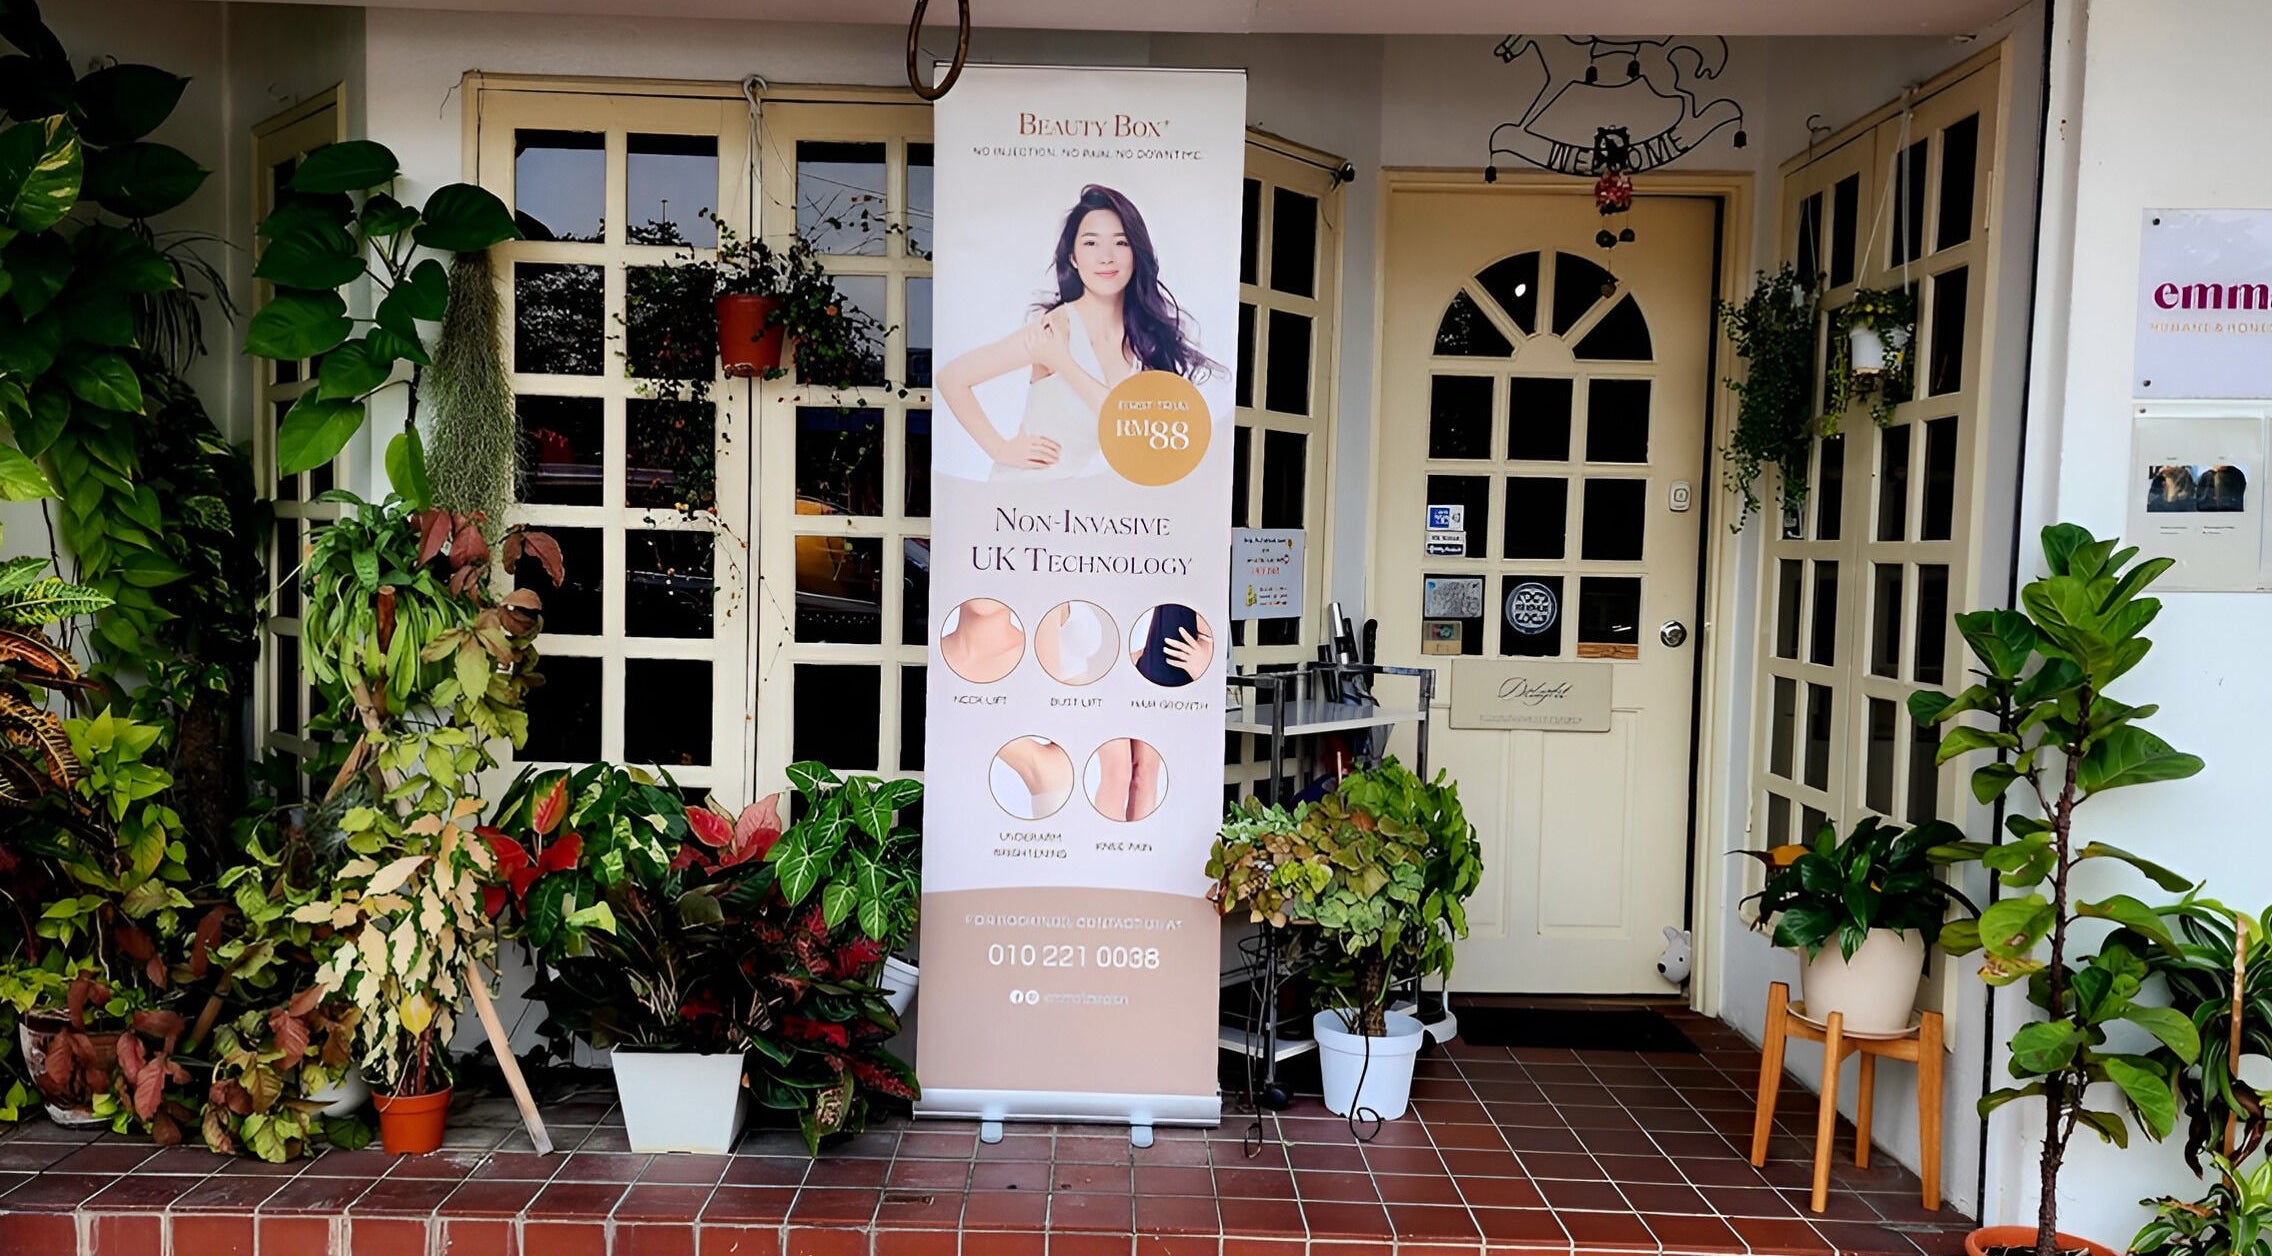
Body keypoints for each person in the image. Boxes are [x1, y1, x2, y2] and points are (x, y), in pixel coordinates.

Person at [936, 185, 1212, 481]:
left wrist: (1063, 364)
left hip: (1086, 510)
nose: (1106, 257)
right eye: (1091, 243)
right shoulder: (1056, 328)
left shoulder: (1144, 342)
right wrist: (1001, 450)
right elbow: (952, 377)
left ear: (1136, 252)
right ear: (1073, 257)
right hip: (1025, 503)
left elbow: (1129, 430)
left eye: (1121, 243)